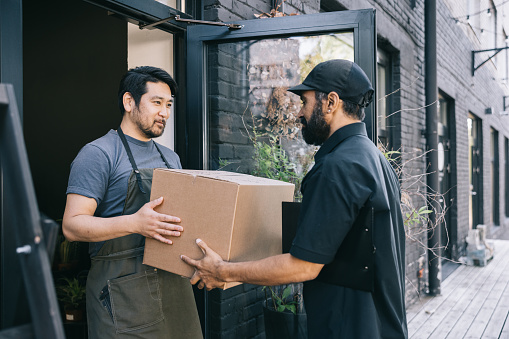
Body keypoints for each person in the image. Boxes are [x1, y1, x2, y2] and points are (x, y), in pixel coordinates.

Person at [181, 59, 408, 338]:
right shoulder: (375, 160)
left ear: (331, 102)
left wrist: (222, 270)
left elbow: (303, 266)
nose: (300, 113)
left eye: (305, 101)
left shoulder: (338, 167)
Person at [62, 66, 202, 339]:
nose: (165, 113)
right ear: (129, 102)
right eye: (157, 102)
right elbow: (71, 226)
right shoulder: (98, 154)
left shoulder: (170, 158)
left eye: (169, 104)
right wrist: (136, 223)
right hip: (121, 295)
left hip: (173, 286)